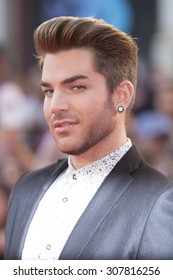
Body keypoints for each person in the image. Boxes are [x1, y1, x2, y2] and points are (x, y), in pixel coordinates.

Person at [5, 16, 173, 260]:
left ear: (121, 96)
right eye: (48, 91)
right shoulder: (25, 190)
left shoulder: (158, 201)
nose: (56, 106)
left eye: (76, 87)